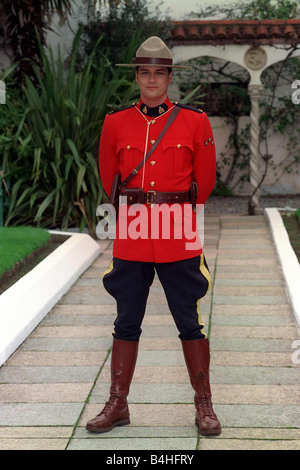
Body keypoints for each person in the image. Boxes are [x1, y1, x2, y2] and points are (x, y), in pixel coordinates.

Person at [86, 36, 221, 436]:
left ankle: (204, 404)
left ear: (168, 77)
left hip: (177, 231)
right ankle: (117, 404)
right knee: (126, 319)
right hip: (133, 232)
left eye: (158, 73)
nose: (150, 80)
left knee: (189, 321)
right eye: (144, 72)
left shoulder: (194, 121)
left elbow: (206, 181)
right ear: (138, 77)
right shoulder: (116, 122)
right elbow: (108, 175)